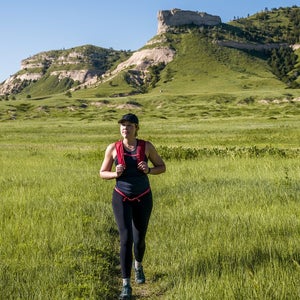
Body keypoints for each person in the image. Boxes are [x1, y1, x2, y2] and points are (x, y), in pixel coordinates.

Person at [99, 113, 166, 300]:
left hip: (143, 197)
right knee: (126, 238)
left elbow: (162, 166)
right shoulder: (113, 148)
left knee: (139, 238)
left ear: (136, 128)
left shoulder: (147, 146)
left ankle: (138, 265)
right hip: (121, 197)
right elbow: (102, 172)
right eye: (122, 125)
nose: (125, 129)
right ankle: (126, 285)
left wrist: (149, 170)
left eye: (129, 125)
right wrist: (115, 174)